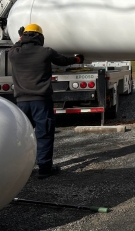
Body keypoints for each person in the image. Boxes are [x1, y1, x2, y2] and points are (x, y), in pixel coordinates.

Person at [8, 23, 84, 179]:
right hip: (41, 101)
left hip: (21, 103)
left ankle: (23, 170)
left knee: (22, 137)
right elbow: (64, 61)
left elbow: (17, 45)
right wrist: (78, 58)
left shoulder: (13, 53)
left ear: (23, 36)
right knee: (44, 134)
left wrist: (21, 38)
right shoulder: (45, 52)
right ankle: (44, 169)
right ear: (40, 37)